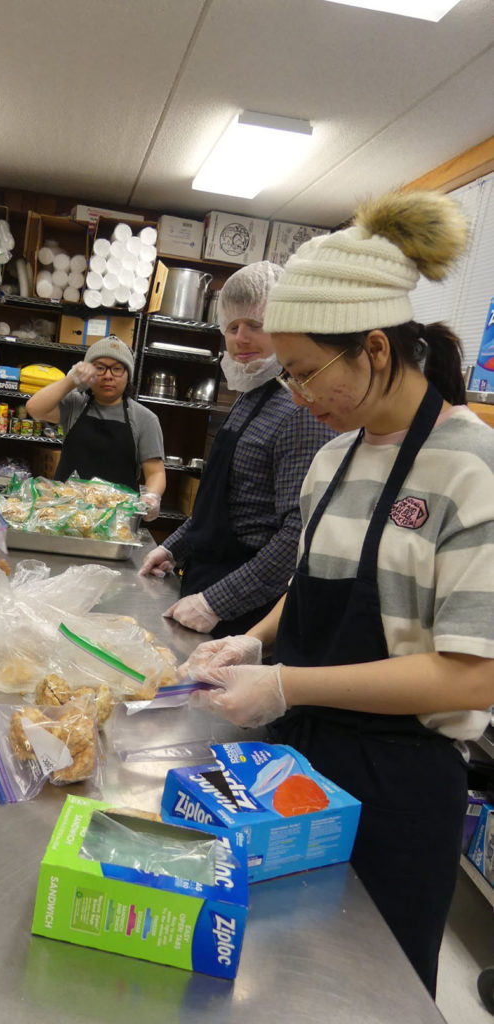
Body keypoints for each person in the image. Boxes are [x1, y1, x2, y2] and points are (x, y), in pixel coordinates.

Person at [181, 190, 494, 997]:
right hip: (302, 762)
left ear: (377, 349)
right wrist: (258, 638)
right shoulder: (334, 460)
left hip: (402, 785)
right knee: (279, 977)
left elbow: (471, 675)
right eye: (283, 375)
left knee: (366, 996)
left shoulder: (472, 471)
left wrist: (285, 683)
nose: (296, 395)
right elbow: (316, 581)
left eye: (305, 371)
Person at [139, 262, 334, 637]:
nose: (241, 338)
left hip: (248, 608)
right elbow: (223, 504)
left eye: (255, 326)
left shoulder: (299, 409)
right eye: (232, 327)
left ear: (285, 329)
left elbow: (299, 531)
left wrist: (218, 602)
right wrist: (173, 548)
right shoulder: (246, 397)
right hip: (205, 582)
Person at [25, 335, 166, 518]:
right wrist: (71, 381)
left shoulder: (145, 419)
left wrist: (152, 497)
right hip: (64, 514)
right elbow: (34, 409)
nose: (108, 376)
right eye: (99, 368)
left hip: (116, 519)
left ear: (128, 375)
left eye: (116, 369)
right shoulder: (75, 405)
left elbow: (155, 472)